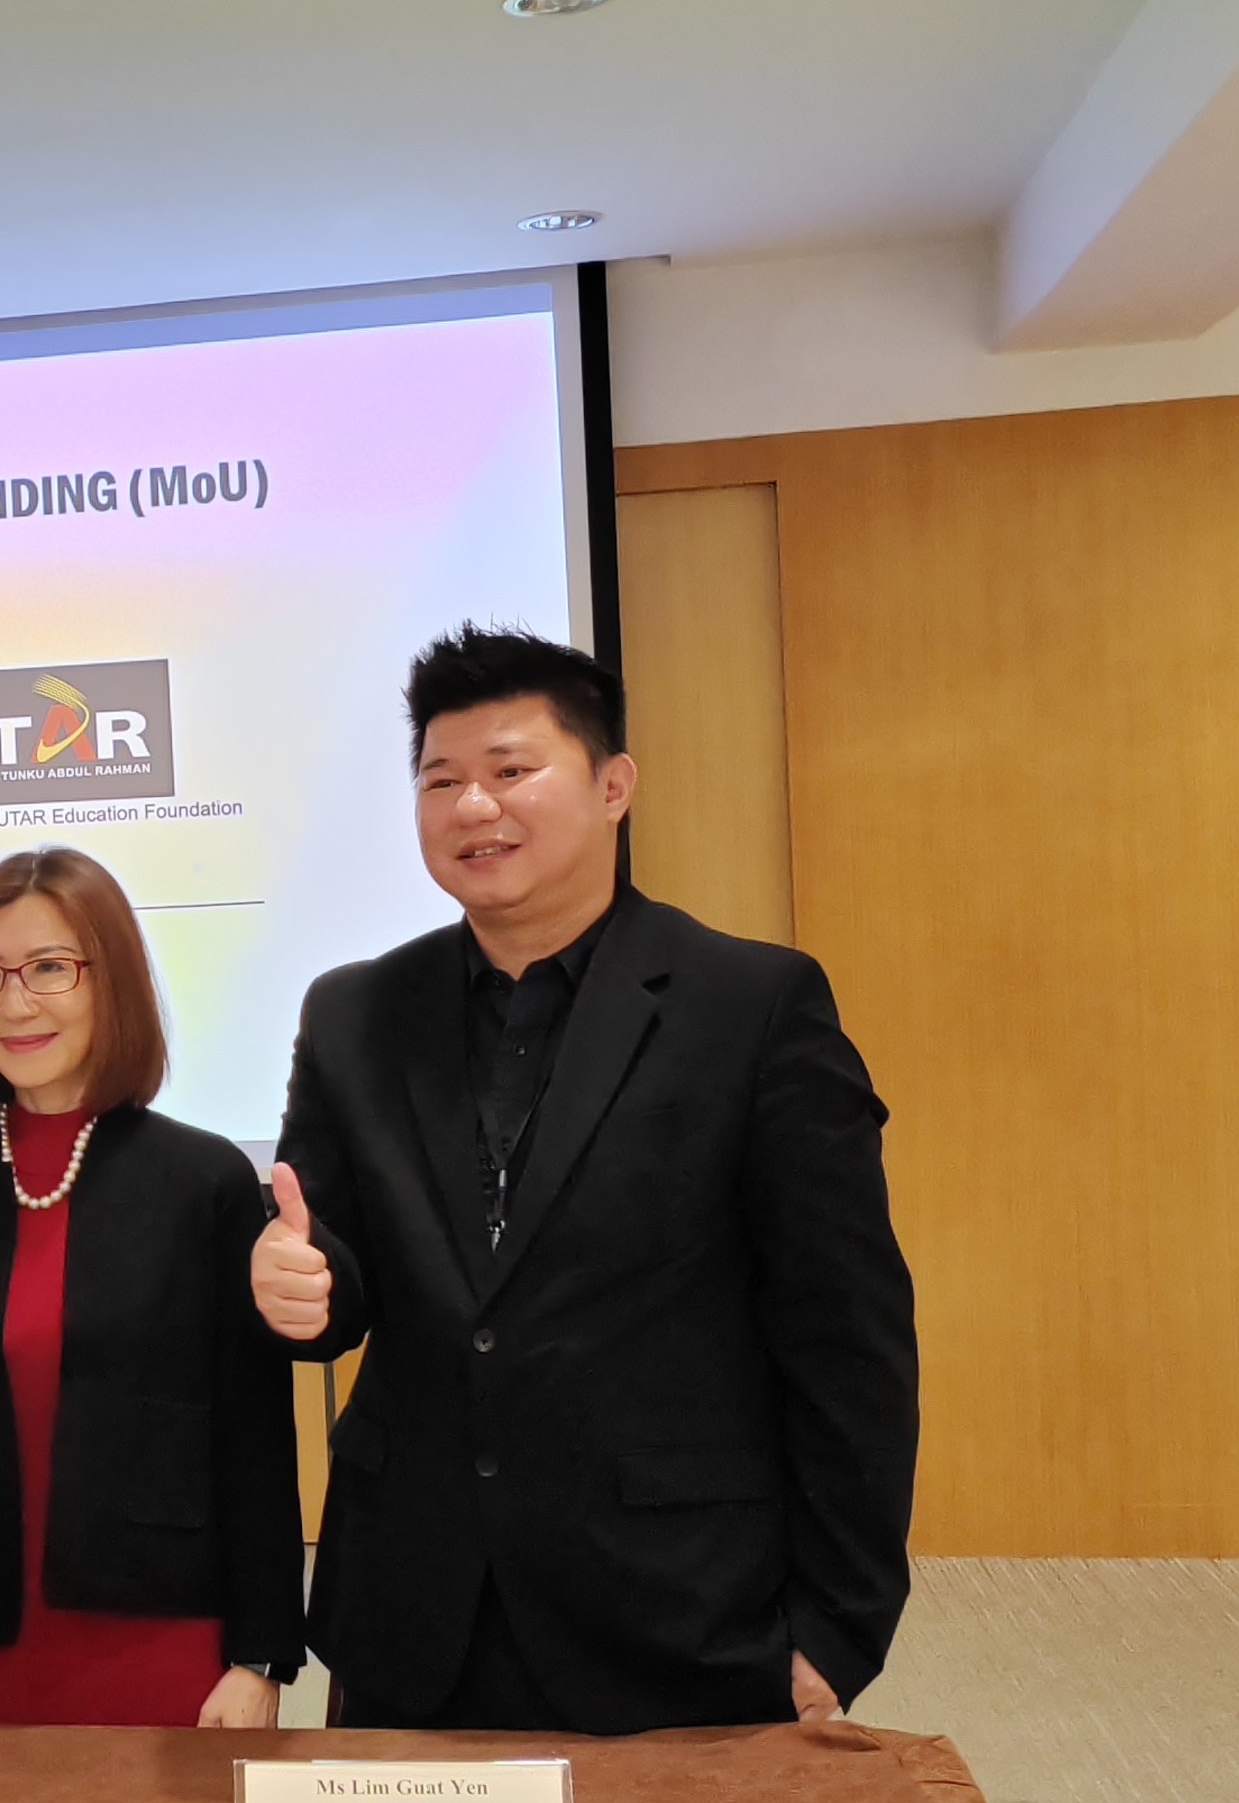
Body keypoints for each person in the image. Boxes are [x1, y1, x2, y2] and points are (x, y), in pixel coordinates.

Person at [252, 624, 916, 1734]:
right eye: (442, 780)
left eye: (511, 772)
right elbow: (334, 1260)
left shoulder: (750, 1006)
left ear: (613, 787)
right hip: (412, 1607)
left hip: (675, 1609)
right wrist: (299, 1284)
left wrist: (838, 1626)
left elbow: (845, 1331)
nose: (473, 808)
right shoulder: (356, 1011)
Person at [0, 847, 302, 1724]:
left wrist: (262, 1655)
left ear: (109, 980)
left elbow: (254, 1434)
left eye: (50, 968)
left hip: (158, 1635)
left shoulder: (204, 1183)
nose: (15, 1003)